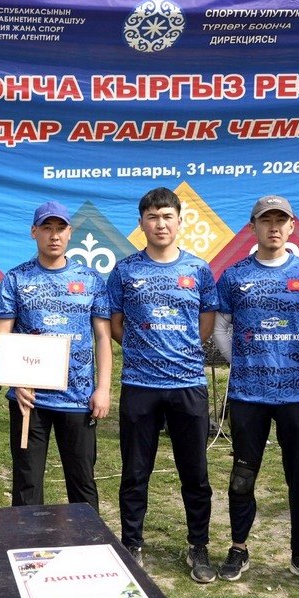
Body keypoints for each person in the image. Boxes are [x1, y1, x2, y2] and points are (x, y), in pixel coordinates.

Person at [211, 195, 299, 586]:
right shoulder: (234, 275)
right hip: (248, 395)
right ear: (253, 227)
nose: (274, 227)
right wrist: (242, 361)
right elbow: (221, 327)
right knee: (242, 475)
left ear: (292, 226)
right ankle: (238, 548)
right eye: (266, 220)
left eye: (281, 220)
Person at [107, 187, 218, 578]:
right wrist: (144, 350)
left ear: (180, 221)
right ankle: (132, 544)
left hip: (188, 384)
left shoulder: (199, 270)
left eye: (167, 216)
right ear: (141, 223)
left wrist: (181, 352)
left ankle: (198, 547)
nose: (160, 224)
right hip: (140, 385)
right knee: (135, 472)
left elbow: (206, 322)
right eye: (152, 217)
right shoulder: (125, 271)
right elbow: (116, 324)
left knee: (195, 473)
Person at [0, 200, 112, 509]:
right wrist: (16, 381)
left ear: (70, 233)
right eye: (47, 228)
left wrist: (103, 388)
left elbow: (103, 337)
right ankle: (28, 538)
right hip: (30, 399)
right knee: (27, 483)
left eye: (60, 228)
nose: (54, 235)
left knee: (82, 481)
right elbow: (2, 335)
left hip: (78, 398)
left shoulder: (91, 280)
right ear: (34, 232)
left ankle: (88, 538)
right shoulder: (16, 279)